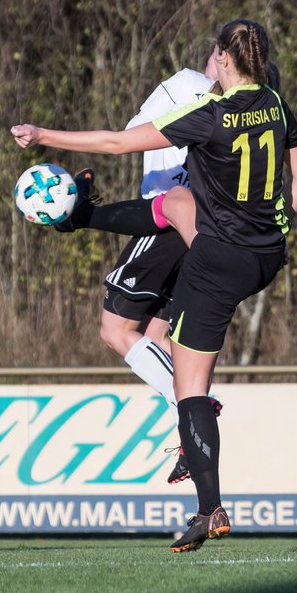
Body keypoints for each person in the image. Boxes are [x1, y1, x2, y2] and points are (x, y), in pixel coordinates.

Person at [12, 19, 297, 553]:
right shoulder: (276, 102)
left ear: (221, 58)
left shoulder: (208, 112)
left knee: (189, 388)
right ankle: (83, 217)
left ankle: (209, 510)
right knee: (174, 213)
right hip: (266, 258)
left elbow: (116, 141)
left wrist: (42, 136)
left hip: (217, 264)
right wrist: (279, 223)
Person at [58, 58, 223, 486]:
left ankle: (197, 404)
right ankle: (190, 430)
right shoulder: (251, 110)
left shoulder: (188, 83)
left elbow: (127, 136)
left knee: (115, 330)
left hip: (165, 219)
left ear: (222, 58)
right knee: (154, 338)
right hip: (203, 233)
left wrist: (46, 139)